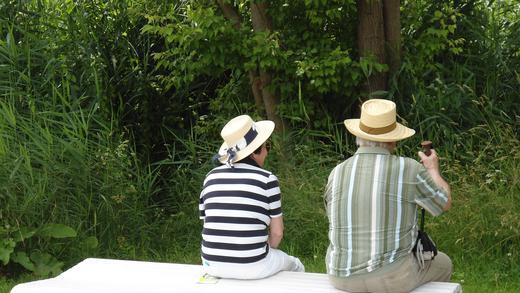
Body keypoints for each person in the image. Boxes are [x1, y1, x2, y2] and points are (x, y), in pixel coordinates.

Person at [324, 99, 453, 293]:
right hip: (392, 277)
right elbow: (444, 204)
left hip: (340, 275)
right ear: (392, 140)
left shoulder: (337, 171)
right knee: (444, 264)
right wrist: (433, 169)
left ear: (359, 135)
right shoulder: (408, 168)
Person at [199, 114, 304, 279]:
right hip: (253, 266)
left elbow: (210, 222)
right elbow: (277, 233)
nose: (267, 152)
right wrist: (266, 252)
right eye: (266, 146)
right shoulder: (267, 179)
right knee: (295, 264)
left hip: (211, 264)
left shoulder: (210, 177)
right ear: (255, 152)